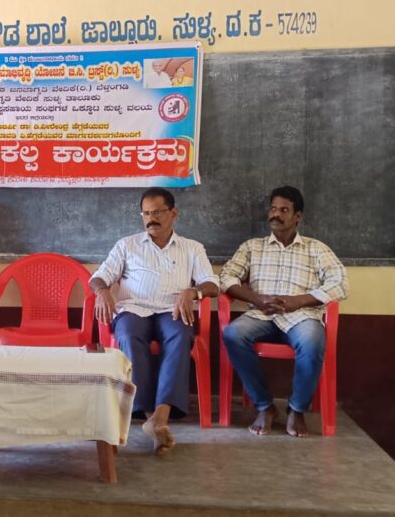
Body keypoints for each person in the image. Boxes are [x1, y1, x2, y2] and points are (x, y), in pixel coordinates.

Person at [90, 187, 219, 455]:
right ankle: (153, 419)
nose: (151, 219)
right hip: (133, 309)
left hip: (172, 310)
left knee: (181, 336)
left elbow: (212, 284)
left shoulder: (192, 248)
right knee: (129, 334)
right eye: (146, 214)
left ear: (174, 213)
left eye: (157, 212)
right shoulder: (127, 245)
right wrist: (102, 291)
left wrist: (192, 292)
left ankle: (161, 415)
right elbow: (99, 277)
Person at [220, 185, 349, 438]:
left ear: (297, 216)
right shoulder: (252, 247)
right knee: (233, 334)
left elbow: (341, 284)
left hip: (301, 317)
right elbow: (226, 277)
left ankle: (297, 409)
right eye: (273, 209)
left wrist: (298, 301)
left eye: (284, 210)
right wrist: (257, 299)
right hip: (261, 315)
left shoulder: (316, 249)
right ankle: (264, 406)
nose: (275, 215)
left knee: (312, 340)